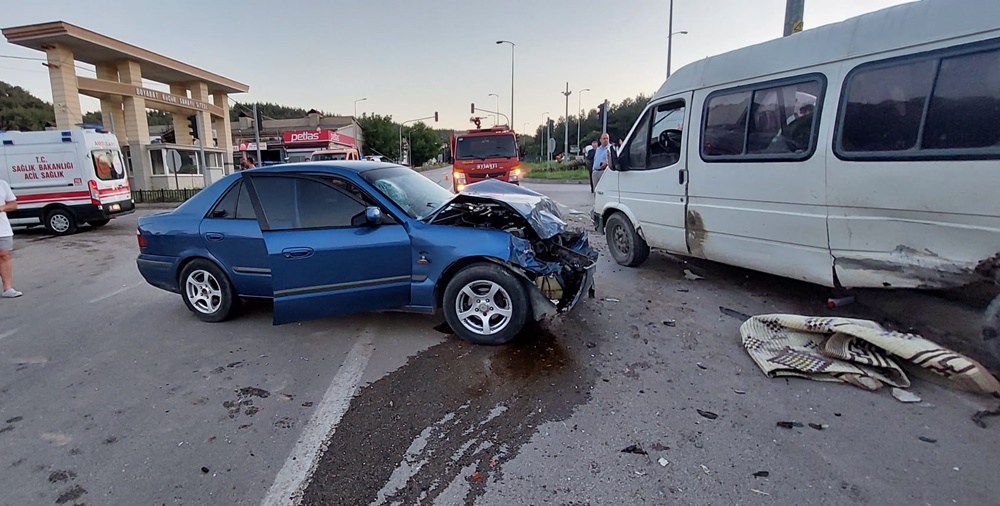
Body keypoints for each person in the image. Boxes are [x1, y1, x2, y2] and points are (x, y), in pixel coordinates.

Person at [0, 179, 22, 298]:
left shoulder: (2, 184)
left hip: (2, 228)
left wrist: (2, 208)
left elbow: (13, 204)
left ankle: (8, 288)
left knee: (4, 255)